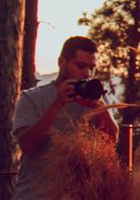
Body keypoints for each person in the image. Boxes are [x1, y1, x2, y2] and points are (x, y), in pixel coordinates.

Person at [12, 36, 118, 199]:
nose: (87, 74)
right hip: (34, 195)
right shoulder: (31, 98)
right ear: (62, 62)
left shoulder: (97, 100)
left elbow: (111, 142)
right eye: (81, 66)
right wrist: (57, 104)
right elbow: (27, 145)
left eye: (92, 68)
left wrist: (100, 108)